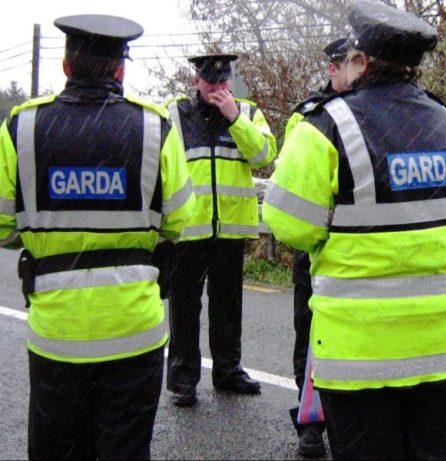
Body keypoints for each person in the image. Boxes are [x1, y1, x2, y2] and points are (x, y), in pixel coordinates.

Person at [263, 1, 446, 458]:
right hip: (443, 352)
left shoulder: (325, 127)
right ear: (414, 66)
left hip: (362, 358)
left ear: (360, 61)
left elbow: (288, 225)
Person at [0, 14, 195, 459]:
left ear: (66, 66)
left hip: (57, 334)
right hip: (135, 331)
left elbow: (3, 225)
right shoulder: (155, 128)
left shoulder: (22, 128)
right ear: (120, 69)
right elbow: (180, 219)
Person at [165, 54, 277, 407]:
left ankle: (228, 371)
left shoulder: (247, 112)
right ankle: (183, 379)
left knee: (228, 304)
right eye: (211, 83)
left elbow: (264, 156)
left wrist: (234, 119)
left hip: (230, 227)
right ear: (197, 81)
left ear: (231, 82)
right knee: (184, 306)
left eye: (223, 83)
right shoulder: (175, 114)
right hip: (188, 227)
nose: (218, 89)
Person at [285, 36, 349, 459]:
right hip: (315, 249)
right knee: (310, 334)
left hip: (361, 251)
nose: (360, 70)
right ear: (333, 68)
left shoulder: (377, 110)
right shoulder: (308, 117)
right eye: (351, 63)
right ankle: (312, 420)